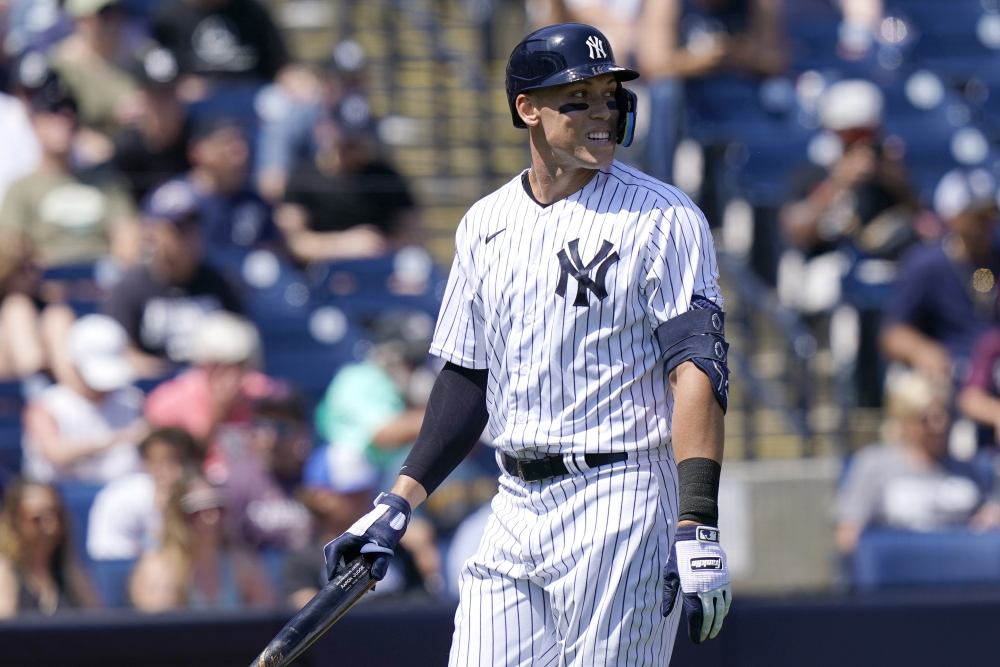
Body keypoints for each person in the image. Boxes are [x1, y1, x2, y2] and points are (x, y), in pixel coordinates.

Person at [322, 24, 732, 664]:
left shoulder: (666, 216)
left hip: (620, 495)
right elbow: (466, 379)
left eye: (609, 96)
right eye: (580, 97)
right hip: (514, 499)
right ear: (527, 109)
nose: (603, 112)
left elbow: (698, 370)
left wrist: (697, 519)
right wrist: (394, 504)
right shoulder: (484, 223)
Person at [833, 369, 1000, 556]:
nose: (939, 426)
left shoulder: (968, 468)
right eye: (926, 419)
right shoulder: (873, 464)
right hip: (901, 575)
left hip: (959, 571)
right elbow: (848, 533)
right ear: (904, 422)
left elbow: (986, 515)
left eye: (943, 416)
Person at [103, 179, 243, 378]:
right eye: (178, 227)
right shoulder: (130, 288)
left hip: (211, 392)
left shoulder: (221, 284)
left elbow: (244, 347)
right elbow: (119, 353)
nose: (189, 236)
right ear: (152, 233)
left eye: (195, 225)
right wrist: (173, 378)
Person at [880, 168, 1000, 387]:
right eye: (977, 217)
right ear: (953, 218)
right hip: (953, 373)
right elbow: (893, 334)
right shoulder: (926, 264)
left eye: (991, 214)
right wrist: (922, 350)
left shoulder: (994, 259)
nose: (986, 224)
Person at [275, 96, 422, 264]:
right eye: (346, 140)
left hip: (380, 272)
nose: (352, 147)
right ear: (330, 130)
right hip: (323, 278)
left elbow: (415, 232)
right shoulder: (302, 177)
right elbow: (295, 243)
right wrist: (344, 245)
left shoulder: (385, 175)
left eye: (357, 139)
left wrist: (385, 246)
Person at [21, 314, 147, 485]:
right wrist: (121, 438)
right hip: (65, 502)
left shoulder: (133, 401)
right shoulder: (46, 406)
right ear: (74, 364)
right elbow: (56, 454)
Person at [129, 472, 275, 611]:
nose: (212, 517)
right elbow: (158, 631)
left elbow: (267, 619)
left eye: (218, 507)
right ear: (179, 516)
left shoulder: (241, 564)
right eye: (197, 510)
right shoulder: (159, 569)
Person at [86, 428, 201, 562]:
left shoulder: (204, 497)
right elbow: (109, 561)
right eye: (162, 461)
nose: (174, 469)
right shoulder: (121, 496)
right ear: (146, 463)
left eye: (180, 461)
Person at [0, 479, 99, 616]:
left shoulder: (70, 572)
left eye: (56, 515)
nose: (51, 526)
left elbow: (97, 621)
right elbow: (6, 630)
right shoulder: (4, 570)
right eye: (38, 518)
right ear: (15, 520)